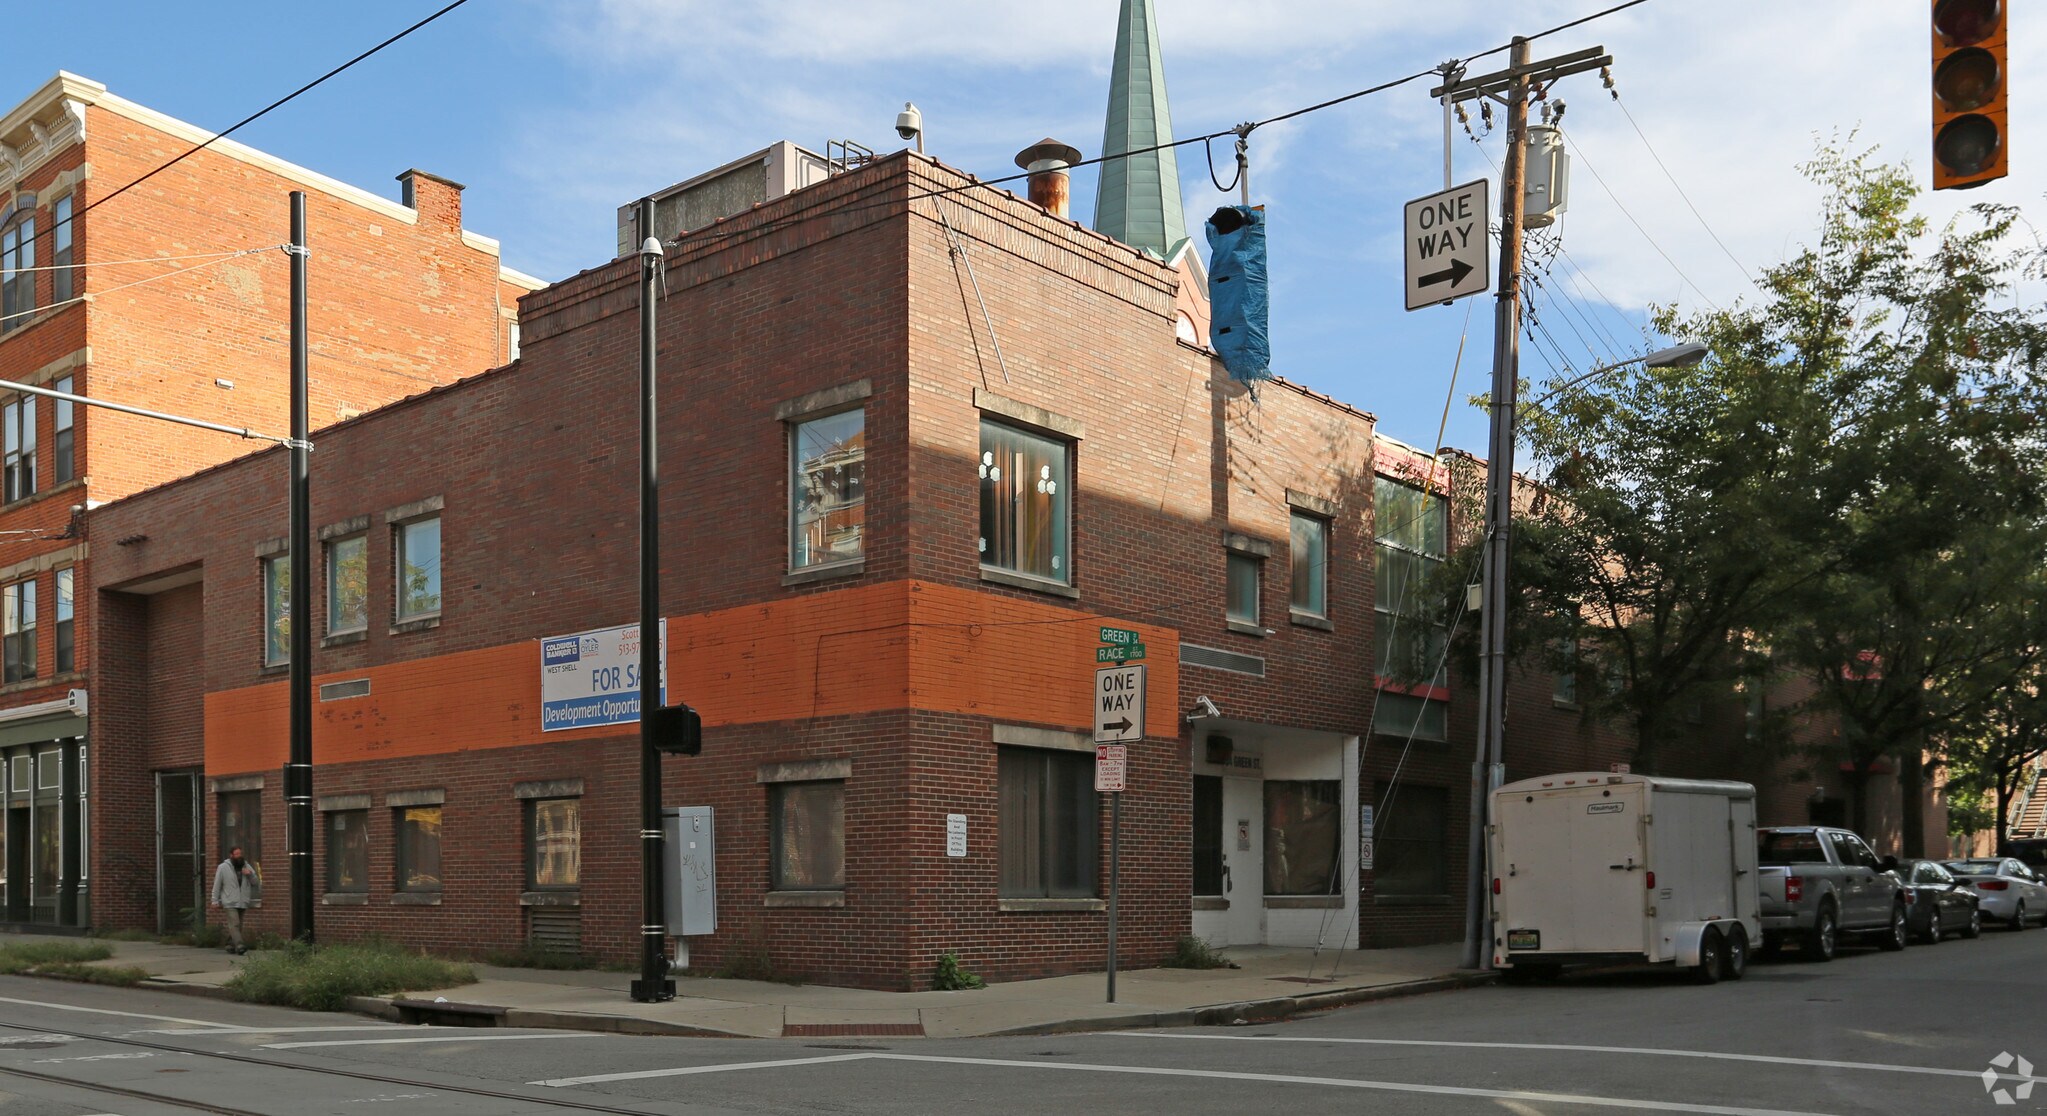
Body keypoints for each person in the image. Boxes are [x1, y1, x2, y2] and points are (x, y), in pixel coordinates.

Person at [211, 846, 259, 954]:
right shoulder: (223, 867)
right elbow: (217, 884)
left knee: (238, 925)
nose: (239, 856)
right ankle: (240, 945)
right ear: (231, 855)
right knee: (235, 923)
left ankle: (230, 944)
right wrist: (214, 900)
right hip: (229, 900)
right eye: (236, 854)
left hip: (243, 900)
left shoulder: (246, 866)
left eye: (240, 854)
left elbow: (255, 882)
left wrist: (250, 874)